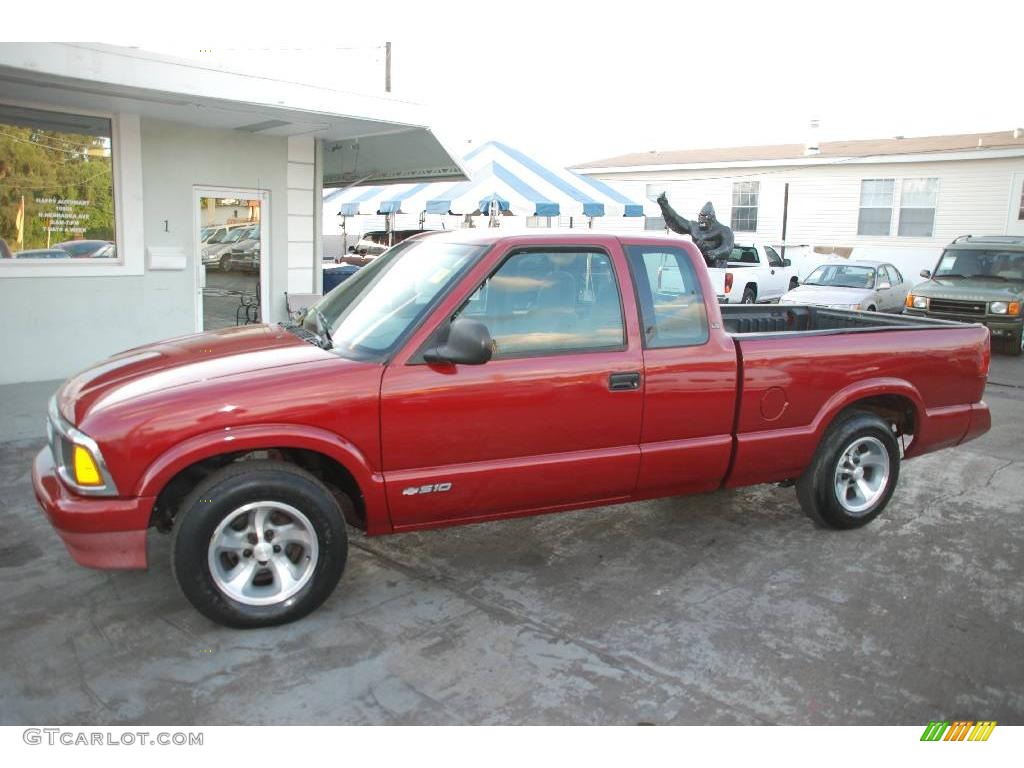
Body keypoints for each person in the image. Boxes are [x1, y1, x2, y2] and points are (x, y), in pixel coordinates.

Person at [655, 193, 735, 267]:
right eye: (700, 216)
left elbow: (727, 247)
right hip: (697, 264)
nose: (701, 220)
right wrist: (664, 205)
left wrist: (716, 253)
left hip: (716, 267)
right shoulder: (694, 227)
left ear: (712, 218)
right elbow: (677, 220)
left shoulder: (724, 230)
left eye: (705, 217)